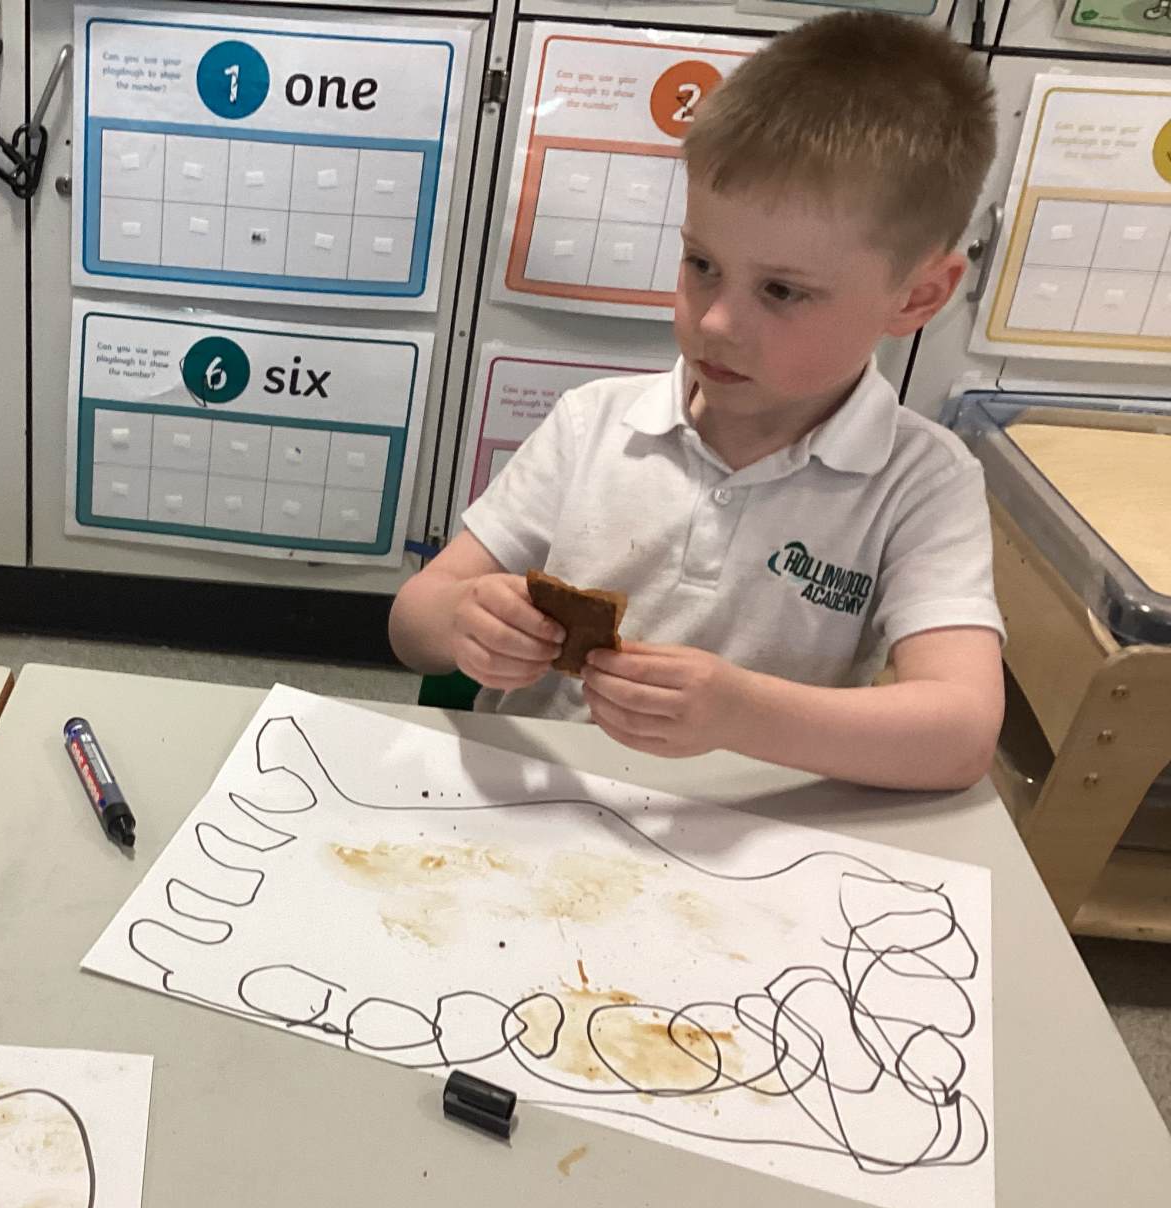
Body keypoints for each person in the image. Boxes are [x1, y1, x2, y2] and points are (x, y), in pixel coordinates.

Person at [389, 12, 1005, 791]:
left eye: (782, 291)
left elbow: (961, 736)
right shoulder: (593, 424)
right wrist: (464, 622)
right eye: (701, 264)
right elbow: (412, 621)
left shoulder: (922, 481)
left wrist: (742, 714)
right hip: (539, 799)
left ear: (917, 297)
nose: (713, 322)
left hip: (748, 827)